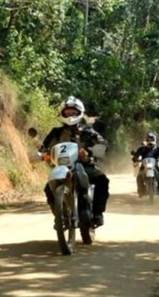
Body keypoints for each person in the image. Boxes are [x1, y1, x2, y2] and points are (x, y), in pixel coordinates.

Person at [40, 96, 109, 227]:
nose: (70, 114)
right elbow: (44, 147)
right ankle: (59, 216)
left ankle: (98, 213)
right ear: (62, 113)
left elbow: (102, 143)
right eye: (67, 112)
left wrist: (89, 151)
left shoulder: (88, 130)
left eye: (73, 111)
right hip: (61, 168)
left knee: (102, 180)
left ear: (80, 112)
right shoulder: (56, 132)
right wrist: (42, 154)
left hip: (85, 165)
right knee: (48, 188)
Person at [131, 132, 159, 196]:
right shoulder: (142, 149)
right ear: (146, 140)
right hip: (143, 166)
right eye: (148, 139)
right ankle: (141, 191)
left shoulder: (158, 149)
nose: (150, 141)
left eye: (151, 139)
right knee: (139, 176)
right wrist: (135, 158)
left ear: (154, 139)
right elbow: (136, 155)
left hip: (155, 166)